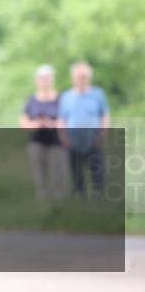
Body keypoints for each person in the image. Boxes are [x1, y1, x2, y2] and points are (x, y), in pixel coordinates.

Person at [57, 62, 110, 199]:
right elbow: (61, 119)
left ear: (89, 78)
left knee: (98, 171)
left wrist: (102, 134)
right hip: (73, 137)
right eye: (80, 76)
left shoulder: (98, 94)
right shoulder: (66, 97)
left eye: (85, 76)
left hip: (94, 137)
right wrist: (64, 138)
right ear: (73, 78)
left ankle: (99, 198)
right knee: (76, 171)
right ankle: (79, 199)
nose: (82, 79)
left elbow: (104, 115)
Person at [19, 65, 67, 204]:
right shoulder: (31, 100)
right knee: (39, 174)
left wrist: (52, 124)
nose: (45, 81)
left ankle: (60, 204)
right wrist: (37, 124)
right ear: (37, 81)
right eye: (42, 78)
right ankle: (42, 203)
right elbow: (23, 121)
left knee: (58, 174)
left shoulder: (61, 99)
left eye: (47, 78)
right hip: (37, 141)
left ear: (52, 80)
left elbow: (68, 120)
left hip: (57, 142)